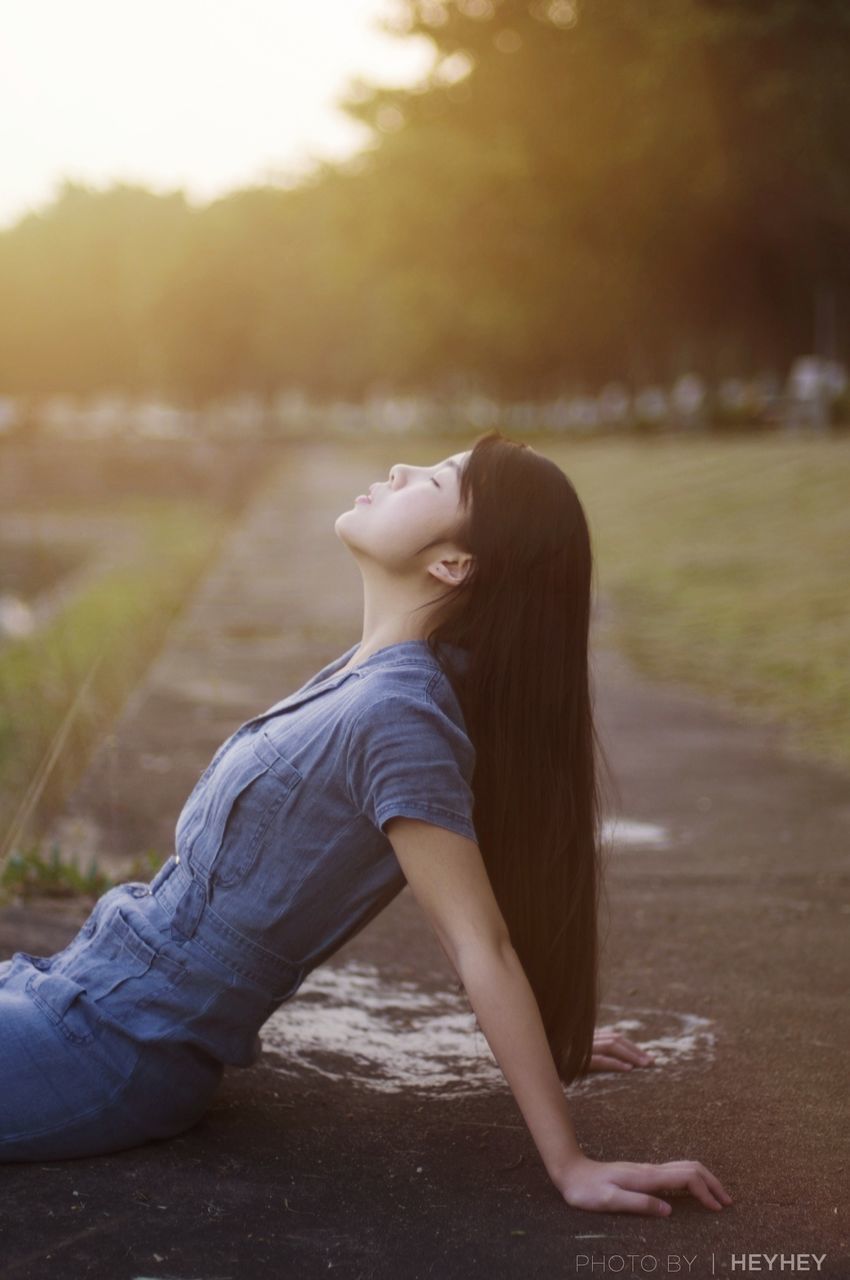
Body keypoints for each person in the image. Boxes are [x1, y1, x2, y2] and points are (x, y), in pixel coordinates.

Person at [0, 430, 732, 1218]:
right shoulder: (371, 678)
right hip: (70, 992)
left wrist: (571, 1163)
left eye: (439, 479)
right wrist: (553, 1038)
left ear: (454, 564)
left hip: (114, 1046)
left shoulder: (398, 716)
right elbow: (505, 847)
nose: (399, 469)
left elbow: (477, 939)